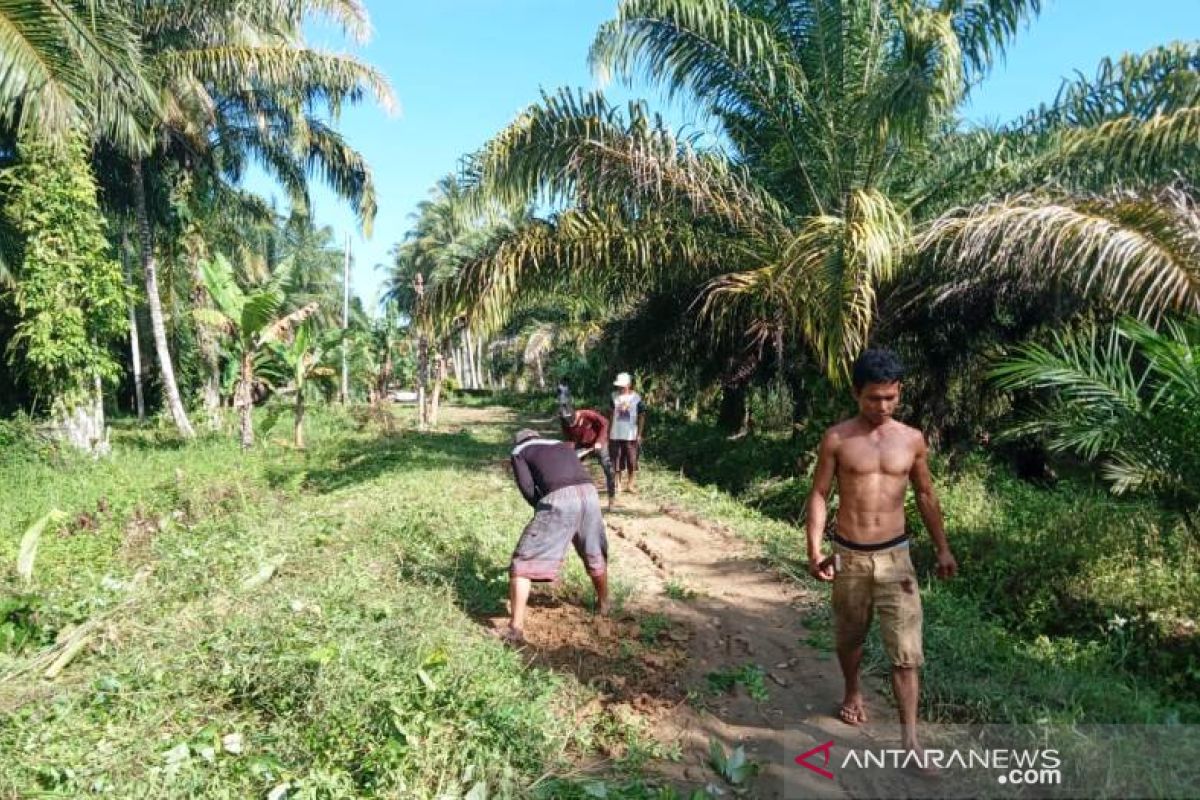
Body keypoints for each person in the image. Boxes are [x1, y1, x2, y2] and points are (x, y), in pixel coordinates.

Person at [804, 348, 957, 771]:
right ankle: (852, 690)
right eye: (874, 398)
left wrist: (942, 547)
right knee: (850, 637)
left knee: (906, 653)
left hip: (897, 559)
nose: (883, 406)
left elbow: (926, 495)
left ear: (899, 393)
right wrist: (815, 548)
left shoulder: (911, 439)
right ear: (857, 393)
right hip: (850, 557)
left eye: (890, 397)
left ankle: (910, 741)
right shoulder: (838, 438)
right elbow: (820, 493)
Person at [500, 428, 610, 645]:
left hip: (559, 497)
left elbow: (528, 488)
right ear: (538, 437)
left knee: (522, 564)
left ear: (519, 440)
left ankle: (515, 629)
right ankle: (604, 604)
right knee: (593, 550)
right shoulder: (561, 445)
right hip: (590, 493)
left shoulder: (519, 451)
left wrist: (542, 511)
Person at [556, 388, 616, 507]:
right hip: (582, 444)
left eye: (575, 423)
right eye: (570, 425)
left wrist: (599, 441)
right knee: (570, 467)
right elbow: (568, 438)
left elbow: (605, 423)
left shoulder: (588, 414)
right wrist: (570, 450)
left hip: (598, 442)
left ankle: (612, 499)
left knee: (608, 468)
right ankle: (575, 497)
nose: (573, 426)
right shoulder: (564, 422)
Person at [608, 372, 646, 494]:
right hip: (616, 434)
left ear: (629, 385)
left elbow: (642, 416)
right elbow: (610, 415)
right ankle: (618, 484)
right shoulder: (613, 396)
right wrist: (608, 432)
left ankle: (630, 485)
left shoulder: (636, 398)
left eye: (622, 386)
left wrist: (639, 434)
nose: (620, 388)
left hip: (631, 435)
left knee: (632, 460)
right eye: (619, 386)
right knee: (616, 460)